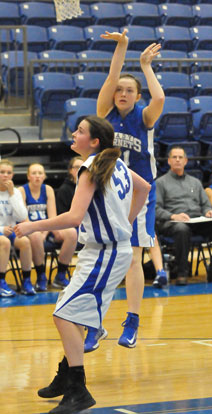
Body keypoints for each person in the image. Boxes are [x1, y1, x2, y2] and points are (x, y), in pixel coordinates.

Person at [14, 115, 151, 414]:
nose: (73, 134)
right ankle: (67, 374)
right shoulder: (117, 164)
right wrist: (126, 221)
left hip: (106, 252)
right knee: (69, 311)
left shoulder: (90, 168)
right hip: (105, 250)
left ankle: (78, 388)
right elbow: (145, 189)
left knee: (63, 316)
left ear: (95, 141)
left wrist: (33, 226)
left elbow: (74, 218)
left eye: (80, 131)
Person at [84, 29, 166, 351]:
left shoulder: (144, 117)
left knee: (133, 259)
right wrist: (123, 47)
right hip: (107, 194)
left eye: (129, 90)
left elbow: (159, 98)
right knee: (102, 258)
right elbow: (110, 78)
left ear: (136, 95)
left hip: (138, 196)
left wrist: (146, 65)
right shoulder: (104, 117)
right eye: (119, 89)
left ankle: (132, 322)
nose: (122, 92)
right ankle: (95, 323)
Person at [155, 146, 212, 285]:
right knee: (182, 229)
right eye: (174, 157)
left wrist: (208, 211)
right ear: (169, 161)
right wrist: (173, 216)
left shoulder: (195, 182)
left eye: (180, 157)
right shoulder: (160, 183)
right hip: (173, 223)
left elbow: (205, 204)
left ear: (186, 161)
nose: (177, 160)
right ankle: (181, 273)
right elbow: (155, 209)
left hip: (196, 220)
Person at [19, 163, 78, 291]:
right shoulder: (22, 191)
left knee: (72, 233)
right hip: (30, 229)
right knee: (35, 236)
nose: (37, 176)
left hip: (47, 228)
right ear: (28, 176)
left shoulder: (48, 189)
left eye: (40, 173)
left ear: (44, 176)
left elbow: (52, 216)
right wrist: (38, 231)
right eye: (34, 173)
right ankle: (41, 276)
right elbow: (24, 219)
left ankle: (60, 275)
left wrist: (45, 232)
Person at [0, 159, 35, 297]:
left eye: (8, 173)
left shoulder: (15, 192)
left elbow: (22, 216)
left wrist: (12, 195)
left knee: (25, 242)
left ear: (12, 175)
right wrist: (1, 229)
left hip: (11, 231)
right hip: (2, 233)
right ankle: (1, 282)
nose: (5, 175)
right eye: (2, 172)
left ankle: (26, 280)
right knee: (4, 242)